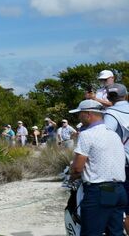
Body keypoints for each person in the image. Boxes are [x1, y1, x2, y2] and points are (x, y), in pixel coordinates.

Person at [68, 100, 127, 235]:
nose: (78, 117)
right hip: (119, 190)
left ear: (88, 114)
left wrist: (70, 178)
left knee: (91, 232)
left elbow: (77, 168)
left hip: (99, 191)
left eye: (80, 114)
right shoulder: (114, 135)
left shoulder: (87, 135)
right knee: (115, 232)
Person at [102, 84, 129, 234]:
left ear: (108, 97)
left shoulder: (111, 114)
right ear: (125, 95)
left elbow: (106, 139)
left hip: (123, 165)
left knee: (123, 209)